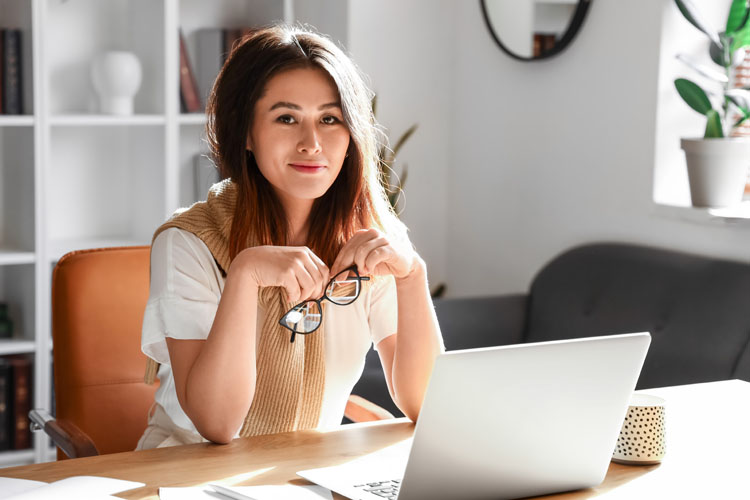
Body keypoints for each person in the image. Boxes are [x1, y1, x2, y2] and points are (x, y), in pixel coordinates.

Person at [136, 23, 444, 449]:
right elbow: (218, 425)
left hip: (308, 473)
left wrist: (412, 277)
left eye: (330, 119)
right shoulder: (190, 242)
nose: (312, 142)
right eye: (286, 118)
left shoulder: (369, 241)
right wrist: (243, 276)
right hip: (188, 474)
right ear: (245, 132)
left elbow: (425, 403)